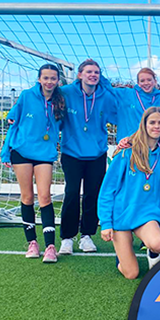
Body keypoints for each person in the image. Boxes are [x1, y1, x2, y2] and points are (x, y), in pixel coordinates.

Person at [1, 64, 65, 263]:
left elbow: (64, 126)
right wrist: (5, 153)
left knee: (45, 196)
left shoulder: (61, 101)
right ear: (39, 79)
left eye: (53, 78)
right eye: (45, 78)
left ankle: (50, 247)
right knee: (27, 196)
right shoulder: (26, 96)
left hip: (45, 153)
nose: (49, 82)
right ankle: (32, 243)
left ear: (58, 81)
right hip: (21, 152)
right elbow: (13, 124)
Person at [98, 107, 160, 278]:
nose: (156, 126)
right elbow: (108, 189)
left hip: (146, 214)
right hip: (122, 215)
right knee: (131, 274)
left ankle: (151, 253)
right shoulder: (126, 152)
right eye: (152, 122)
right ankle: (122, 254)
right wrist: (106, 223)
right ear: (144, 125)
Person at [58, 59, 117, 255]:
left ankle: (87, 236)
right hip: (72, 153)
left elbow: (120, 109)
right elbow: (46, 92)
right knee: (72, 193)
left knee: (93, 194)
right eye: (89, 72)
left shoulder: (105, 96)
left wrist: (106, 84)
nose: (93, 75)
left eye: (97, 73)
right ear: (79, 75)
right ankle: (67, 237)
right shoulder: (66, 92)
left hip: (97, 154)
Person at [108, 67, 160, 140]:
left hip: (152, 145)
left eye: (149, 80)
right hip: (128, 144)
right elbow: (106, 89)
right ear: (138, 83)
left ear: (155, 81)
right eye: (142, 81)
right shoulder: (126, 94)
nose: (146, 83)